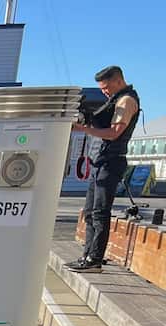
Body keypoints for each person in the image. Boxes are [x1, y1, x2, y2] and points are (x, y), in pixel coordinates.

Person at [66, 65, 140, 273]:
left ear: (118, 81)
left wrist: (84, 129)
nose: (104, 92)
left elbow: (114, 133)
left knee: (100, 212)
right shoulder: (115, 100)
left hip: (111, 161)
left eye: (106, 87)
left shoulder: (126, 101)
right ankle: (87, 256)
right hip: (101, 162)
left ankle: (95, 259)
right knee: (90, 211)